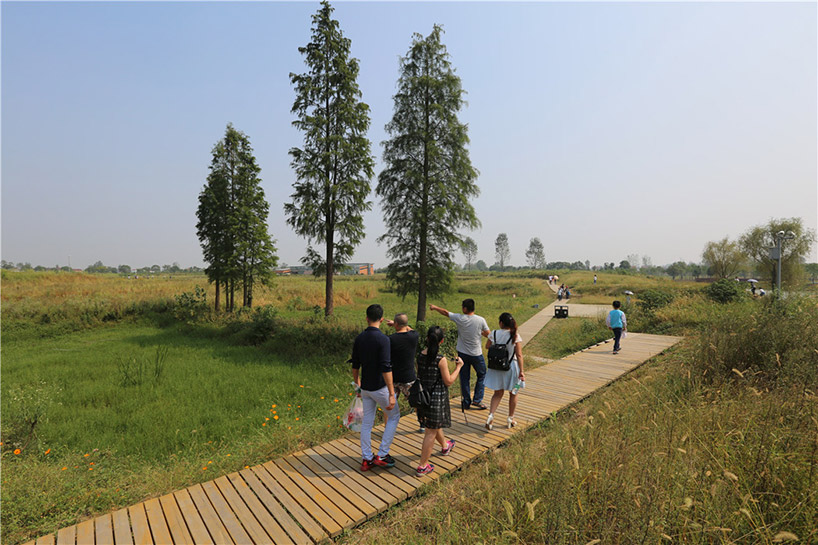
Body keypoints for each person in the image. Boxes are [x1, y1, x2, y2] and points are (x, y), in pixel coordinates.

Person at [351, 304, 400, 471]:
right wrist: (392, 393)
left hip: (365, 388)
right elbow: (386, 367)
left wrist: (357, 382)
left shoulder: (359, 338)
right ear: (381, 319)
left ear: (366, 318)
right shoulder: (384, 340)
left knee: (367, 423)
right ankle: (382, 454)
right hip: (380, 388)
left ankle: (367, 458)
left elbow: (355, 364)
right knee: (394, 416)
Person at [415, 326, 464, 476]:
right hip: (436, 398)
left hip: (422, 396)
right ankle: (422, 466)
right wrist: (459, 367)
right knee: (430, 431)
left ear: (427, 339)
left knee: (432, 424)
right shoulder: (440, 359)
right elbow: (448, 381)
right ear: (441, 341)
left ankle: (445, 446)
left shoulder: (420, 355)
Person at [429, 299, 490, 410]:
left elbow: (445, 312)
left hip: (462, 354)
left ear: (465, 308)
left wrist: (435, 307)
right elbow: (488, 334)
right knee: (482, 374)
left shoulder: (459, 318)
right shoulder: (481, 320)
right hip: (476, 354)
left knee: (464, 377)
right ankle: (477, 400)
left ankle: (466, 402)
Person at [484, 312, 525, 430]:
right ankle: (510, 418)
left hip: (497, 367)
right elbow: (519, 355)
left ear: (501, 323)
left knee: (497, 393)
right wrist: (522, 371)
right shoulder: (515, 335)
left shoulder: (494, 333)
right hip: (511, 367)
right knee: (514, 393)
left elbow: (487, 346)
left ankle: (491, 415)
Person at [385, 313, 419, 399]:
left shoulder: (390, 339)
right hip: (409, 377)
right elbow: (410, 329)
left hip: (394, 377)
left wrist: (395, 324)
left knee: (390, 403)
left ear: (396, 324)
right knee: (415, 402)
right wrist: (396, 323)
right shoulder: (414, 336)